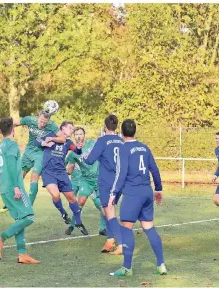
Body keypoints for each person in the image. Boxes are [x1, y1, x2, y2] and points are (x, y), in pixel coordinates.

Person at [109, 119, 166, 276]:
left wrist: (113, 194)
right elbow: (154, 169)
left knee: (126, 228)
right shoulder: (144, 147)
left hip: (133, 194)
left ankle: (127, 268)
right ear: (135, 131)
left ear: (121, 132)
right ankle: (161, 265)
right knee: (149, 227)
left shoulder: (123, 149)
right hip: (147, 192)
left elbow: (121, 174)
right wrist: (158, 189)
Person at [0, 118, 40, 264]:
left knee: (20, 219)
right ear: (13, 130)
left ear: (0, 131)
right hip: (14, 188)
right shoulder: (12, 145)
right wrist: (15, 186)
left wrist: (6, 182)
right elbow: (12, 166)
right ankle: (1, 239)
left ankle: (22, 254)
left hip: (5, 189)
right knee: (29, 217)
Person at [0, 111, 64, 212]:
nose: (42, 124)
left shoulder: (52, 126)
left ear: (48, 121)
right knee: (19, 175)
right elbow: (15, 123)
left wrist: (52, 138)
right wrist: (3, 130)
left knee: (34, 176)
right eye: (41, 121)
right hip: (28, 152)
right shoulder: (29, 120)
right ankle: (10, 203)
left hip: (40, 154)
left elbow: (63, 139)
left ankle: (29, 206)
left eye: (45, 123)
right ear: (38, 118)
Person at [81, 114, 123, 254]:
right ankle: (110, 240)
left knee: (108, 211)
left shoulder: (102, 140)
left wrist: (85, 157)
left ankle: (122, 243)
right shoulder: (121, 140)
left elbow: (90, 160)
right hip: (120, 180)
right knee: (109, 209)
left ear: (105, 127)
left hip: (107, 181)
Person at [38, 121, 88, 234]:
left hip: (62, 173)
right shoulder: (50, 134)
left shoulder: (68, 142)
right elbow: (38, 141)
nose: (72, 130)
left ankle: (79, 223)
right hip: (48, 172)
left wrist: (79, 148)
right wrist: (47, 141)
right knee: (55, 195)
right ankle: (63, 213)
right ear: (63, 128)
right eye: (70, 128)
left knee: (72, 198)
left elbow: (77, 151)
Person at [65, 127, 106, 236]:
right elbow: (68, 167)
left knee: (102, 204)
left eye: (81, 134)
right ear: (74, 136)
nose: (79, 136)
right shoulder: (73, 153)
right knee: (80, 202)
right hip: (85, 180)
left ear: (84, 135)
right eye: (76, 134)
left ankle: (104, 228)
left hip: (98, 179)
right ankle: (73, 224)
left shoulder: (93, 144)